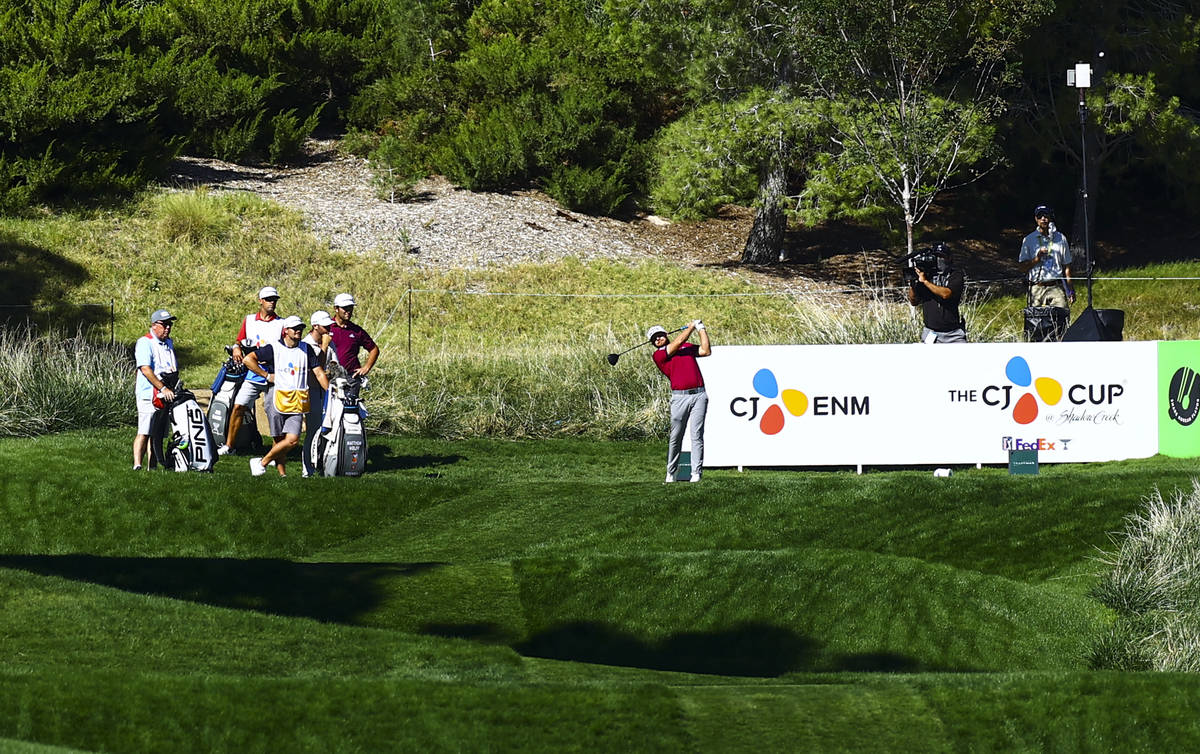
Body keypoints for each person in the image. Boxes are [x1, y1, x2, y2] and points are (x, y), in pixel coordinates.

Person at [243, 315, 330, 477]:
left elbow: (318, 372)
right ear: (286, 331)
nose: (298, 331)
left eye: (301, 328)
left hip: (297, 400)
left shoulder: (306, 349)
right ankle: (283, 476)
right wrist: (267, 375)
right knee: (279, 439)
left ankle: (261, 462)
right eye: (295, 328)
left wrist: (330, 391)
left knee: (292, 440)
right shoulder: (273, 348)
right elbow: (248, 359)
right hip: (276, 397)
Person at [217, 286, 283, 456]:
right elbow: (239, 340)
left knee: (274, 412)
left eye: (274, 300)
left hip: (273, 373)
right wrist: (236, 348)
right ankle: (229, 445)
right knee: (239, 406)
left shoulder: (281, 323)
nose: (272, 302)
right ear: (260, 301)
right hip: (253, 372)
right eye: (268, 299)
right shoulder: (250, 320)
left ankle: (277, 450)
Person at [649, 320, 711, 483]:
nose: (658, 340)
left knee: (697, 435)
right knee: (676, 436)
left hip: (699, 395)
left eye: (660, 336)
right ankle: (671, 472)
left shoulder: (685, 348)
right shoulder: (659, 354)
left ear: (666, 334)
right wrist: (691, 327)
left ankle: (696, 473)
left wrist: (701, 329)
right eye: (654, 339)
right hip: (679, 397)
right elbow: (678, 342)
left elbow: (706, 351)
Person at [132, 309, 179, 470]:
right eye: (164, 324)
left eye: (169, 324)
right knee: (144, 431)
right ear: (154, 325)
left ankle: (151, 468)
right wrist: (163, 387)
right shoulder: (145, 342)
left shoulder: (169, 343)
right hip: (148, 394)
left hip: (166, 395)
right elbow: (145, 369)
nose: (167, 328)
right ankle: (137, 465)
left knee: (157, 434)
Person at [301, 310, 339, 477]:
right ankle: (307, 466)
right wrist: (323, 346)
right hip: (313, 391)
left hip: (326, 390)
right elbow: (317, 370)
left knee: (327, 429)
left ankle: (323, 462)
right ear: (315, 326)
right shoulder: (306, 344)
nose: (329, 327)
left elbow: (332, 366)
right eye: (325, 325)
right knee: (313, 430)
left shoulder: (329, 342)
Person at [906, 243, 967, 343]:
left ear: (949, 258)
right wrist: (913, 284)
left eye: (942, 256)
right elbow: (914, 301)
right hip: (931, 333)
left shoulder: (955, 275)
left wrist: (925, 282)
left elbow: (946, 294)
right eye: (937, 256)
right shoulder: (926, 275)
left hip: (953, 333)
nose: (939, 259)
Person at [1018, 205, 1075, 308]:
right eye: (1040, 216)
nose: (1043, 219)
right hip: (1036, 288)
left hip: (1055, 287)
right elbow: (1022, 267)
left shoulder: (1060, 238)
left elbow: (1067, 267)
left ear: (1050, 217)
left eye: (1046, 215)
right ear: (1036, 219)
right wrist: (1036, 259)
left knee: (1061, 320)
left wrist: (1070, 290)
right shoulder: (1028, 240)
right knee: (1035, 322)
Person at [329, 293, 380, 379]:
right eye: (345, 308)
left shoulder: (356, 330)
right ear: (336, 309)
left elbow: (374, 349)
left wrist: (366, 368)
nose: (348, 311)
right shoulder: (327, 327)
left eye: (350, 308)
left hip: (351, 377)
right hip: (330, 377)